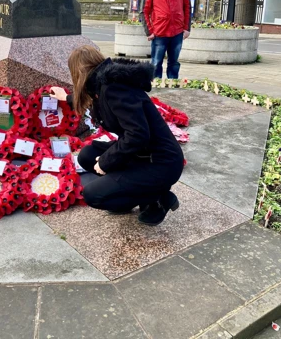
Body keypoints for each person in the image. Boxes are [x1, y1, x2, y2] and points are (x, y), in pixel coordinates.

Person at [50, 45, 184, 226]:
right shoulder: (102, 83)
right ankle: (132, 193)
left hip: (161, 161)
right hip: (142, 153)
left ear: (79, 72)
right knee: (87, 156)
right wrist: (66, 97)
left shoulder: (115, 89)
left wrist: (106, 162)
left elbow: (138, 134)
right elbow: (94, 98)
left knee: (93, 195)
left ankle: (158, 197)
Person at [142, 0, 191, 81]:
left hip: (177, 32)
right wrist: (149, 31)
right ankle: (155, 87)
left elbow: (187, 7)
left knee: (174, 63)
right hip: (159, 33)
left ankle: (172, 85)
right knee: (156, 63)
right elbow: (144, 11)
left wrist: (187, 28)